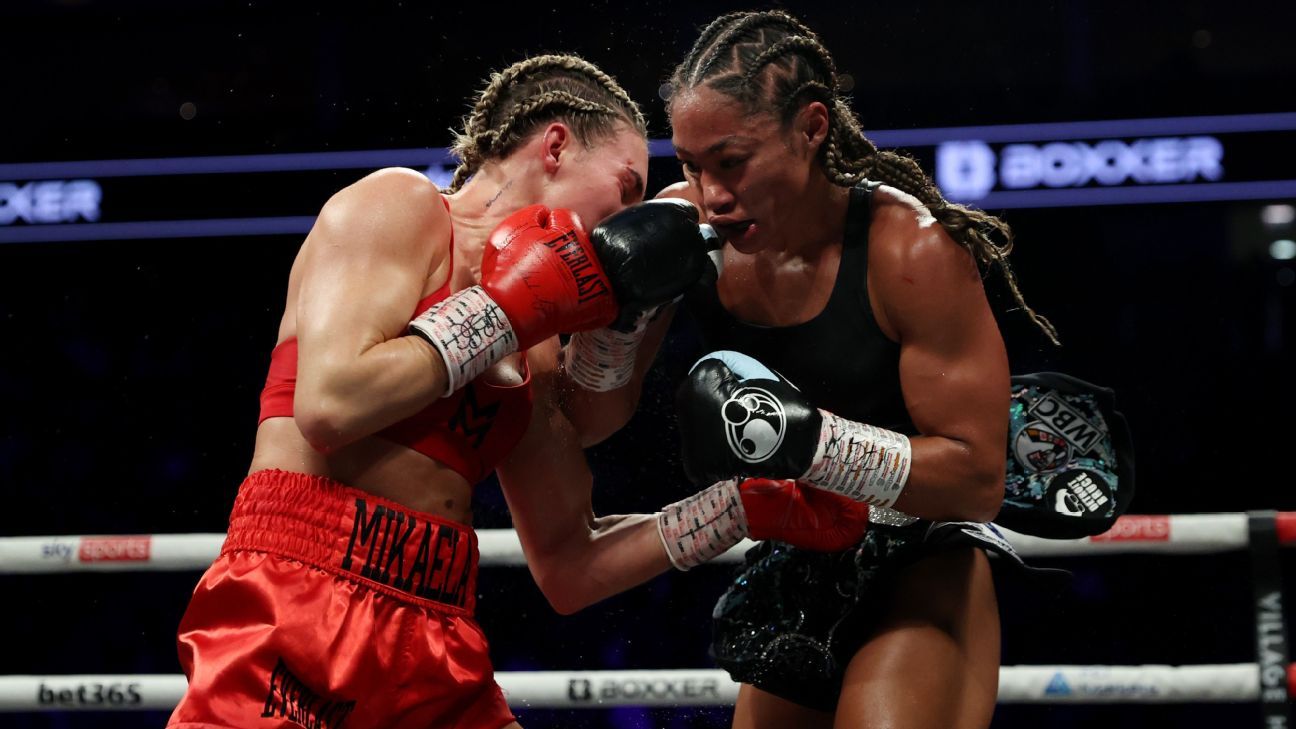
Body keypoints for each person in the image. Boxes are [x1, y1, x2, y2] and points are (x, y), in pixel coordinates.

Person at [167, 52, 869, 729]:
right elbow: (330, 405)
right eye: (626, 186)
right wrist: (506, 310)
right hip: (295, 594)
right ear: (556, 146)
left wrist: (740, 506)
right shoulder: (401, 206)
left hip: (435, 633)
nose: (624, 218)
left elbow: (571, 563)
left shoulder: (536, 343)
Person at [649, 10, 1065, 729]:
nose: (711, 194)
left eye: (731, 161)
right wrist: (613, 324)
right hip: (798, 563)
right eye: (690, 165)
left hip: (924, 564)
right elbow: (594, 414)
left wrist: (813, 444)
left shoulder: (912, 254)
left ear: (811, 129)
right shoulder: (686, 236)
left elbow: (978, 476)